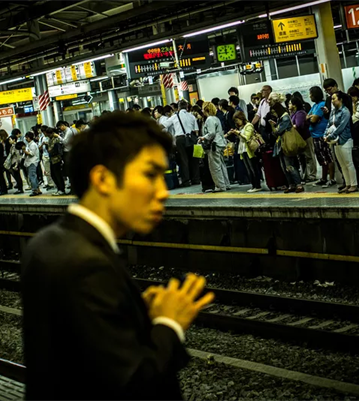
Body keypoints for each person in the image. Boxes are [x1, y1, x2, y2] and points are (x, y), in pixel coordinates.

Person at [21, 111, 214, 401]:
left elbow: (86, 360)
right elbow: (133, 383)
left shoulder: (48, 242)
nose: (162, 192)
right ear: (103, 179)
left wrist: (136, 318)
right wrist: (169, 324)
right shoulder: (86, 264)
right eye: (150, 174)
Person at [269, 93, 304, 193]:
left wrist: (273, 126)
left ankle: (298, 184)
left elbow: (277, 132)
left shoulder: (284, 118)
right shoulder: (281, 118)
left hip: (286, 145)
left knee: (290, 166)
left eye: (274, 112)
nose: (274, 114)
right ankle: (291, 184)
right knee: (284, 167)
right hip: (281, 146)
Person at [324, 91, 357, 194]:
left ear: (340, 99)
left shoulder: (345, 111)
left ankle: (354, 184)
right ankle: (347, 184)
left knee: (349, 163)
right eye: (332, 99)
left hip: (345, 139)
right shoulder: (333, 112)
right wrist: (325, 135)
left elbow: (341, 127)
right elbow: (329, 124)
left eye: (334, 98)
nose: (332, 101)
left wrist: (330, 136)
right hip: (336, 141)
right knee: (342, 164)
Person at [162, 100, 200, 187]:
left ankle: (186, 181)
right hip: (191, 138)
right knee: (194, 160)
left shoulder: (175, 116)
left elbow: (163, 125)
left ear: (178, 108)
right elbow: (196, 131)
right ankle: (196, 179)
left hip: (180, 139)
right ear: (187, 107)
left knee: (183, 160)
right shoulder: (192, 116)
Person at [200, 102, 230, 192]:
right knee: (222, 165)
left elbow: (211, 133)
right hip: (220, 143)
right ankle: (226, 184)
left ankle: (220, 186)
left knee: (215, 166)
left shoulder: (209, 119)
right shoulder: (216, 118)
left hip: (214, 145)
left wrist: (203, 137)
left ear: (206, 109)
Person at [307, 86, 334, 187]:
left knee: (328, 157)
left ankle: (331, 178)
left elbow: (313, 120)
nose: (310, 96)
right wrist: (311, 117)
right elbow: (307, 117)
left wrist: (312, 118)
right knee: (321, 159)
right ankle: (323, 178)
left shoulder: (322, 105)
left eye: (311, 94)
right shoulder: (314, 106)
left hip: (322, 135)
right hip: (315, 136)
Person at [230, 111, 262, 192]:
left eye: (237, 120)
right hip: (243, 149)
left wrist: (239, 133)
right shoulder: (241, 127)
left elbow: (247, 137)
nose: (237, 122)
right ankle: (253, 185)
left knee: (253, 168)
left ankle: (257, 185)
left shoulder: (249, 125)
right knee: (248, 169)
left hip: (250, 149)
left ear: (241, 118)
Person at [289, 97, 316, 183]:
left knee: (309, 156)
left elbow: (299, 125)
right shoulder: (293, 113)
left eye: (290, 103)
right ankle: (305, 175)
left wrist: (291, 127)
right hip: (299, 139)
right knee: (302, 158)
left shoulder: (300, 113)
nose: (288, 105)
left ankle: (312, 175)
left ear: (294, 105)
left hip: (305, 137)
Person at [44, 126, 66, 196]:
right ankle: (59, 189)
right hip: (52, 159)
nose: (48, 136)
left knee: (58, 175)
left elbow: (58, 149)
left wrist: (51, 151)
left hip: (57, 159)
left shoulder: (56, 139)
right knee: (53, 175)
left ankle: (62, 189)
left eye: (49, 134)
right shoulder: (50, 139)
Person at [23, 132, 41, 197]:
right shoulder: (28, 144)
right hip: (29, 162)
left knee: (32, 177)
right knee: (34, 176)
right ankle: (38, 189)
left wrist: (24, 151)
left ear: (30, 137)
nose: (26, 139)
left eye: (27, 137)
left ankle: (34, 190)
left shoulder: (33, 144)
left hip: (32, 162)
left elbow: (31, 153)